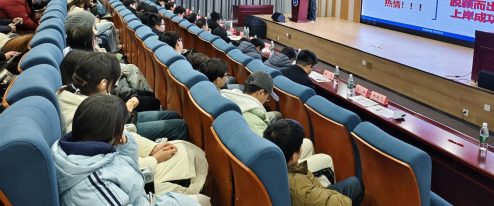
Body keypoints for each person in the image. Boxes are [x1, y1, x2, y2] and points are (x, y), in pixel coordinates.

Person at [51, 94, 208, 205]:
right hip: (145, 197)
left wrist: (124, 142)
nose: (123, 132)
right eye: (121, 127)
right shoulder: (94, 185)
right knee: (202, 200)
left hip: (141, 195)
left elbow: (129, 167)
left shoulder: (82, 146)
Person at [222, 71, 334, 183]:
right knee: (326, 160)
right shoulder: (254, 121)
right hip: (271, 171)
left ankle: (305, 185)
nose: (266, 101)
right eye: (268, 97)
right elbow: (270, 157)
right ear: (260, 92)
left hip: (249, 158)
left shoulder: (234, 100)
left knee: (307, 144)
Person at [57, 50, 189, 142]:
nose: (115, 84)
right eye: (113, 80)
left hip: (125, 121)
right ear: (103, 83)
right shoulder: (88, 110)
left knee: (173, 114)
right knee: (180, 126)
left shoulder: (84, 94)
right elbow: (110, 137)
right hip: (124, 130)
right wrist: (126, 111)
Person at [264, 119, 364, 206]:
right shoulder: (299, 187)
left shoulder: (268, 161)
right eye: (300, 145)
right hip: (313, 197)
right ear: (293, 157)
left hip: (311, 195)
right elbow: (337, 203)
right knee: (356, 185)